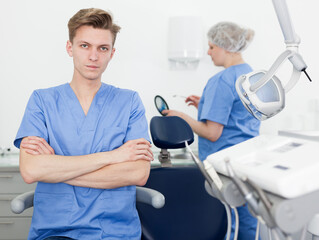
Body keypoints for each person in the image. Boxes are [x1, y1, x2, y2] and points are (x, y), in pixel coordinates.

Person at [14, 8, 153, 240]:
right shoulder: (42, 101)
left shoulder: (129, 102)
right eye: (84, 46)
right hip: (55, 231)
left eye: (103, 48)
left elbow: (138, 173)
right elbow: (31, 170)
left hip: (115, 232)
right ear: (70, 48)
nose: (93, 56)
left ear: (112, 53)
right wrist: (114, 156)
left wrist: (55, 170)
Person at [162, 21, 261, 240]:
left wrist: (182, 117)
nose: (208, 52)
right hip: (247, 163)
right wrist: (205, 105)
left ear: (226, 46)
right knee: (248, 223)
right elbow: (237, 117)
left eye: (212, 47)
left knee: (232, 224)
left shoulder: (222, 80)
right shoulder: (249, 75)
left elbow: (212, 133)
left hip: (226, 167)